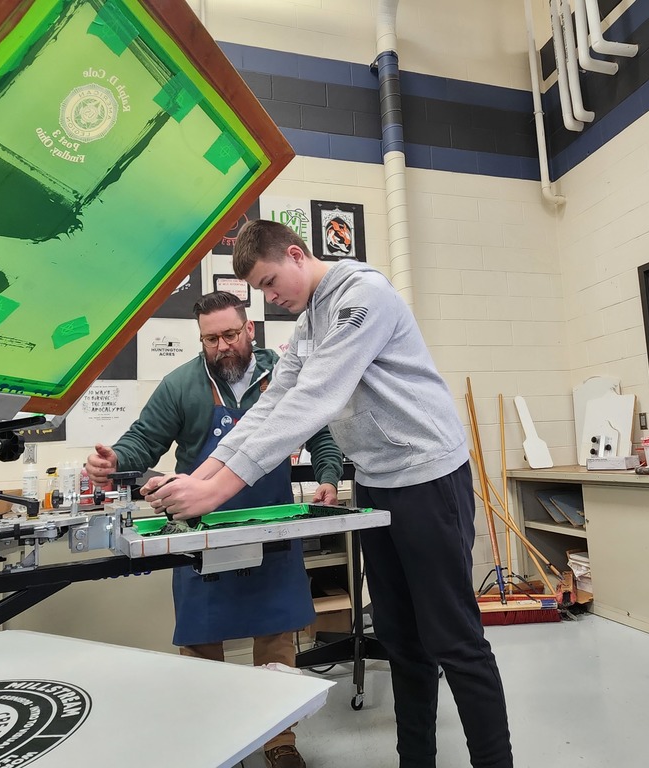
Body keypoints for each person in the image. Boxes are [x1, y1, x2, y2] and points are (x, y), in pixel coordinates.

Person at [143, 220, 513, 768]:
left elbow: (314, 400)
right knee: (400, 640)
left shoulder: (365, 297)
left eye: (272, 283)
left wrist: (218, 489)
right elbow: (270, 405)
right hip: (377, 483)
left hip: (428, 477)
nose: (272, 298)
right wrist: (202, 479)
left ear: (297, 255)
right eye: (263, 291)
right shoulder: (311, 322)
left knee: (453, 640)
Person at [86, 291, 343, 768]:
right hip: (200, 534)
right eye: (210, 339)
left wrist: (327, 476)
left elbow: (322, 433)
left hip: (272, 525)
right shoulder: (182, 384)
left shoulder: (283, 376)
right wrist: (116, 460)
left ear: (250, 329)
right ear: (200, 339)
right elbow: (144, 439)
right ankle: (213, 737)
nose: (222, 346)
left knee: (276, 636)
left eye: (230, 334)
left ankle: (278, 738)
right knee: (202, 642)